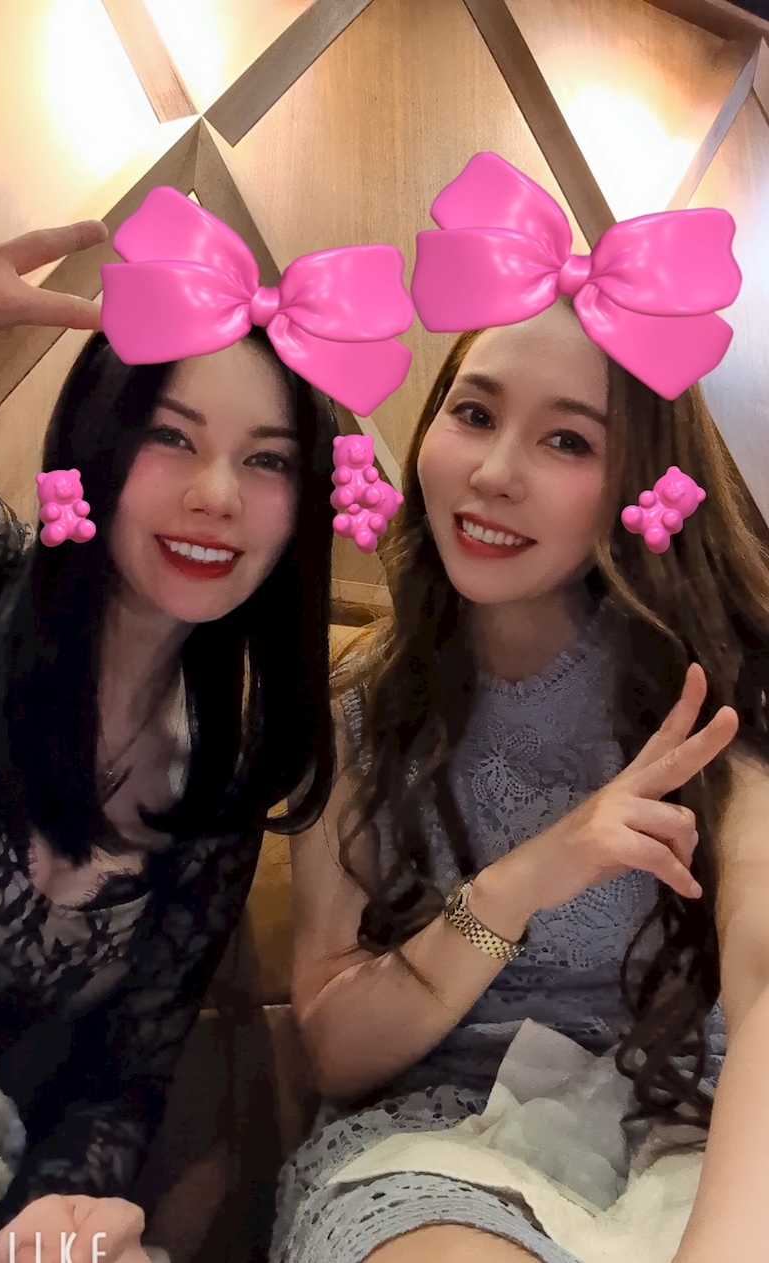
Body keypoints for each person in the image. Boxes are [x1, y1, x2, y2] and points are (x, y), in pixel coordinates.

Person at [273, 264, 769, 1258]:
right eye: (474, 413)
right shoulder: (355, 711)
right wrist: (524, 880)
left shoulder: (710, 692)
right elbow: (333, 1045)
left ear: (639, 486)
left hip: (698, 1126)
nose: (496, 472)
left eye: (568, 440)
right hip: (442, 1148)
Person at [0, 176, 338, 1244]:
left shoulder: (222, 781)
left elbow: (119, 1083)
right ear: (99, 442)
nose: (217, 494)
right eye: (172, 436)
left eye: (267, 460)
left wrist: (54, 1217)